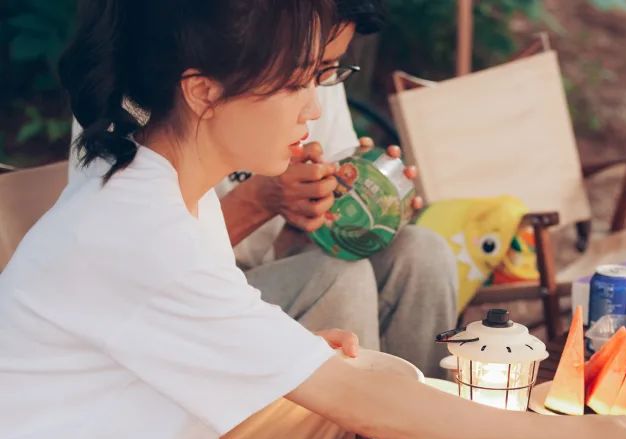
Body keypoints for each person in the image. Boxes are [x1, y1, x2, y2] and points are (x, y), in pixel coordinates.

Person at [0, 0, 626, 439]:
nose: (314, 108)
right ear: (202, 91)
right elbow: (353, 398)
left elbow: (169, 331)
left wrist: (291, 353)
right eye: (295, 84)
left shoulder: (168, 179)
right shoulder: (137, 224)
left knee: (368, 372)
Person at [67, 0, 457, 377]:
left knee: (421, 252)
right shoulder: (139, 140)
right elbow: (154, 267)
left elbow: (318, 224)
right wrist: (262, 198)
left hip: (263, 273)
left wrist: (367, 206)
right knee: (340, 276)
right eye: (299, 78)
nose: (315, 106)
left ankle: (426, 398)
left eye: (325, 71)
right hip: (191, 303)